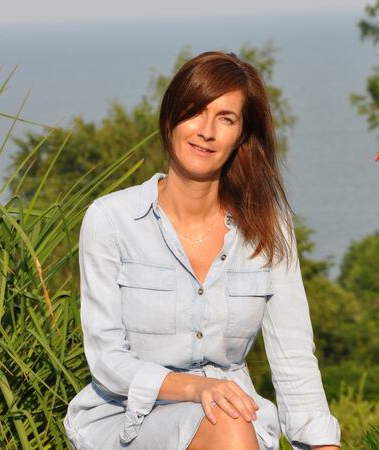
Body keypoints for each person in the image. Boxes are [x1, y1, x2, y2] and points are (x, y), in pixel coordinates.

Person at [63, 51, 341, 450]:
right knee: (225, 419)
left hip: (234, 418)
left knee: (227, 419)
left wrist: (321, 443)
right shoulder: (111, 219)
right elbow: (108, 359)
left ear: (242, 136)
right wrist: (196, 388)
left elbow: (293, 355)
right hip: (128, 420)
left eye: (226, 119)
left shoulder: (270, 225)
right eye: (195, 112)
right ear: (170, 119)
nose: (206, 131)